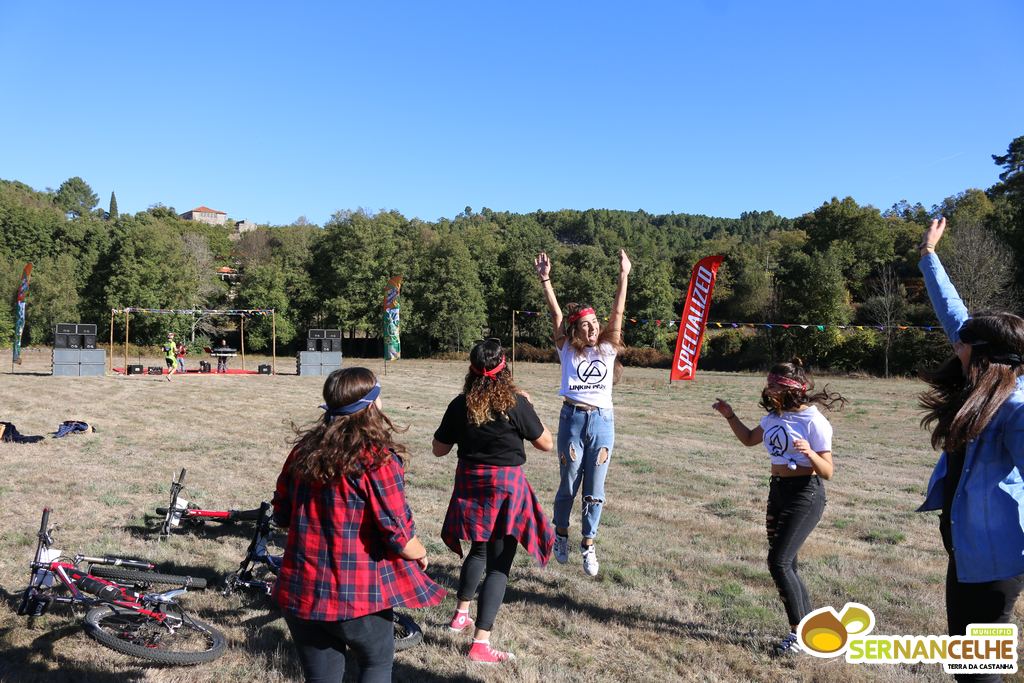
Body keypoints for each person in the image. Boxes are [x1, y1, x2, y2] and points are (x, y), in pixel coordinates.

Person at [272, 367, 445, 682]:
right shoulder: (377, 460)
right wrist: (420, 552)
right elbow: (398, 534)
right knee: (375, 664)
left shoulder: (303, 452)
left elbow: (281, 514)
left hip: (302, 592)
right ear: (371, 406)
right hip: (355, 595)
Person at [916, 217, 1024, 683]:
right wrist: (928, 256)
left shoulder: (1015, 408)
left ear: (984, 355)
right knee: (967, 667)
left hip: (995, 559)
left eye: (963, 344)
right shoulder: (986, 382)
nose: (955, 346)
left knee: (979, 672)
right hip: (966, 550)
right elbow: (953, 314)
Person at [433, 339, 555, 663]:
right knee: (499, 566)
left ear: (471, 370)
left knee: (479, 549)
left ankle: (460, 615)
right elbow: (546, 443)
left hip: (471, 484)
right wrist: (529, 406)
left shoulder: (460, 405)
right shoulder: (515, 403)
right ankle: (480, 645)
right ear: (505, 369)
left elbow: (438, 449)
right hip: (505, 488)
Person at [712, 360, 845, 656]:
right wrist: (730, 415)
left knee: (778, 562)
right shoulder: (775, 416)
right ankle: (811, 629)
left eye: (773, 385)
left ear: (790, 389)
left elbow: (828, 471)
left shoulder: (814, 421)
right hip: (778, 492)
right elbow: (749, 439)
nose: (767, 389)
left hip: (805, 494)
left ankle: (798, 633)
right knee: (788, 564)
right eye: (768, 384)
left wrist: (810, 453)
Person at [534, 248, 629, 576]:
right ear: (574, 331)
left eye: (595, 324)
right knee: (569, 483)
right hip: (572, 420)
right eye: (585, 326)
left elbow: (618, 311)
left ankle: (588, 544)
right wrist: (546, 280)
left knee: (595, 489)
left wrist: (624, 275)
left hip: (602, 422)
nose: (592, 330)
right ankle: (561, 534)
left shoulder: (607, 349)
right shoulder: (567, 351)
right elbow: (556, 314)